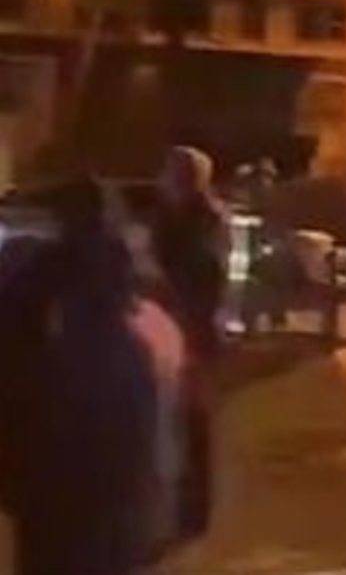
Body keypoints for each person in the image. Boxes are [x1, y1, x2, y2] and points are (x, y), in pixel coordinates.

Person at [0, 177, 162, 574]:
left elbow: (13, 359)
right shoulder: (130, 276)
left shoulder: (39, 273)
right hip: (116, 473)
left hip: (55, 464)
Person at [151, 145, 229, 538]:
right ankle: (183, 507)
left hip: (192, 332)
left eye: (169, 173)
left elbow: (201, 278)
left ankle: (193, 511)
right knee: (180, 421)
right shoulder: (181, 220)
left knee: (191, 423)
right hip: (183, 329)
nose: (162, 181)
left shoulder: (200, 224)